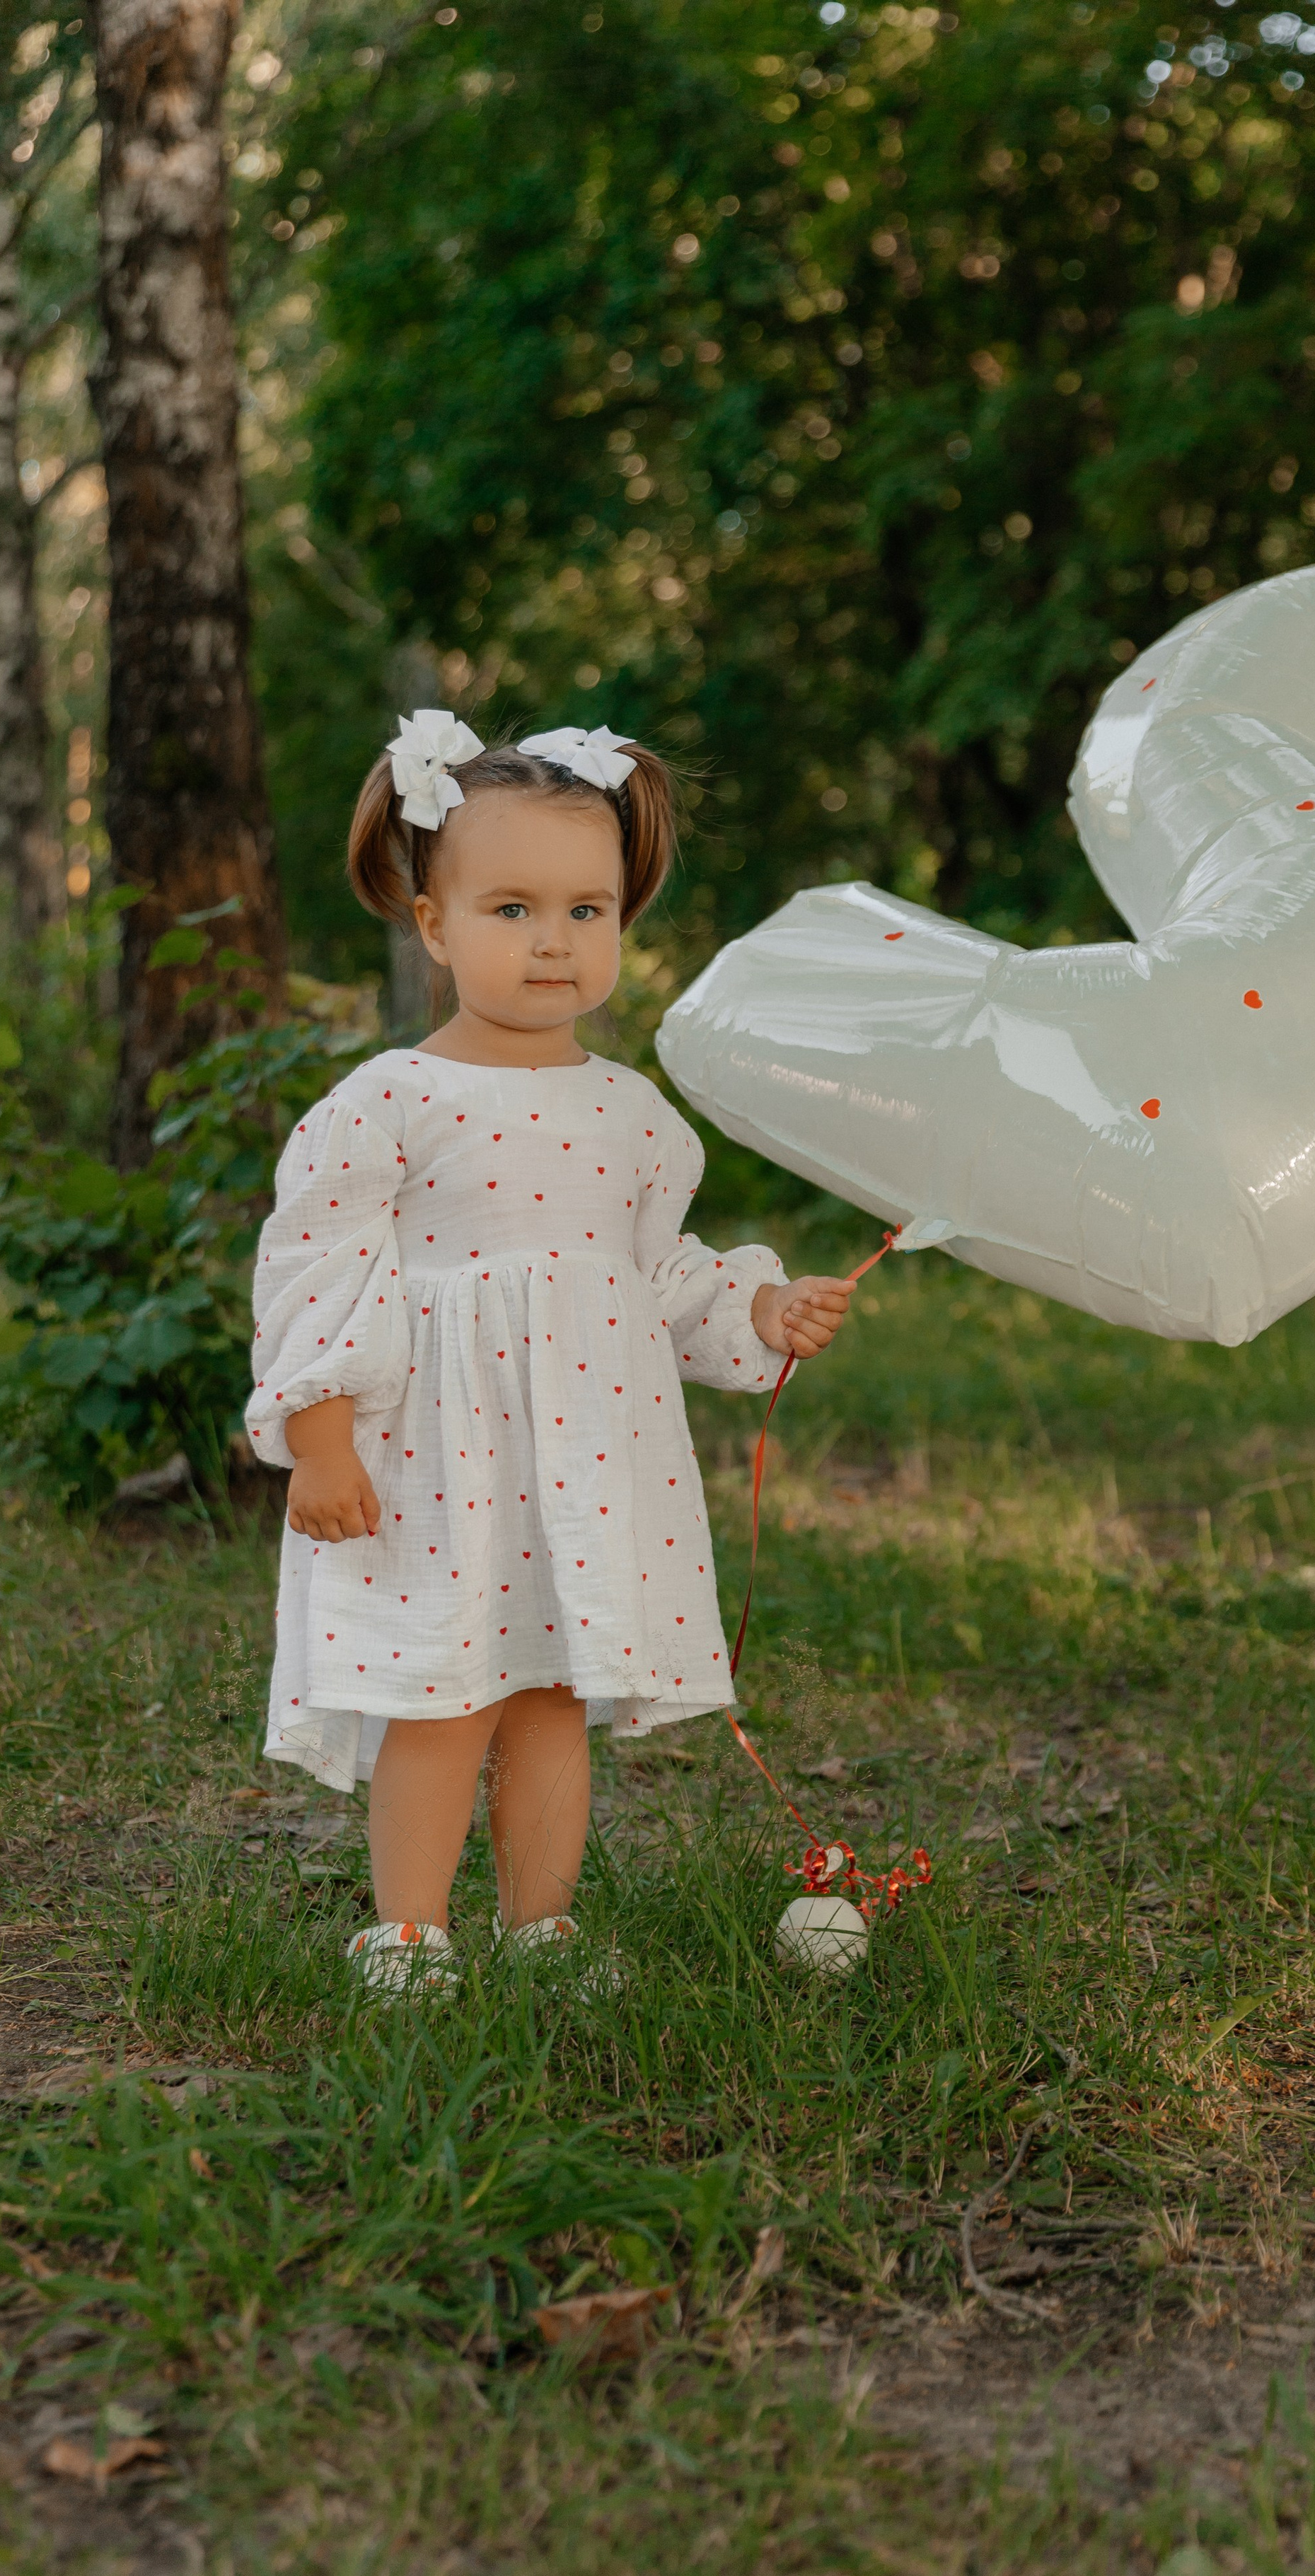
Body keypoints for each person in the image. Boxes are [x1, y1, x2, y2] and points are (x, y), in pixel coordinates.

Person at [245, 712, 856, 1996]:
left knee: (552, 1695)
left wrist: (754, 1312)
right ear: (432, 925)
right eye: (513, 907)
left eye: (588, 911)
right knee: (441, 1694)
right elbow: (318, 1271)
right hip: (437, 1451)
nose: (553, 941)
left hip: (583, 1454)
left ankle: (541, 1927)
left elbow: (656, 1280)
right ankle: (408, 1931)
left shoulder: (633, 1116)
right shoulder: (391, 1102)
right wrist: (319, 1440)